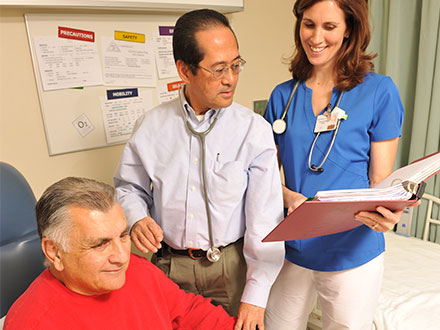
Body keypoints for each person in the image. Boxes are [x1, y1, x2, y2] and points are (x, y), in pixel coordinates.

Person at [114, 8, 284, 330]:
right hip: (169, 266)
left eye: (236, 65)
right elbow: (129, 187)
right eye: (219, 69)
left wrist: (256, 294)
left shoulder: (253, 131)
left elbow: (265, 220)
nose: (231, 78)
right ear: (185, 70)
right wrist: (137, 217)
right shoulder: (151, 127)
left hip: (232, 269)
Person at [263, 1, 419, 329]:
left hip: (353, 247)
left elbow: (381, 180)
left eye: (329, 27)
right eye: (309, 25)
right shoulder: (282, 96)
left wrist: (391, 210)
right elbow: (261, 177)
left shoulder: (379, 92)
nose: (316, 37)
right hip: (293, 246)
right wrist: (288, 196)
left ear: (349, 28)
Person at [4, 177, 236, 330]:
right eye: (100, 244)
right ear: (54, 252)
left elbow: (191, 313)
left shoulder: (139, 271)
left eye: (123, 236)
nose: (121, 257)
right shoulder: (32, 322)